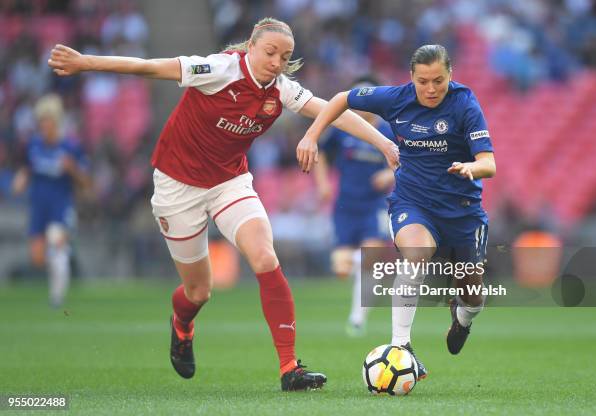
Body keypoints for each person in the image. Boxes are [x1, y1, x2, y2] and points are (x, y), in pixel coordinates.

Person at [48, 17, 399, 391]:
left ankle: (289, 368)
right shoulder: (218, 69)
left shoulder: (281, 89)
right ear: (251, 45)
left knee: (265, 256)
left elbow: (333, 111)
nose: (277, 62)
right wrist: (86, 62)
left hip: (229, 182)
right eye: (270, 52)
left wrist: (385, 144)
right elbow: (148, 67)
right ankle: (182, 326)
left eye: (285, 56)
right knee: (199, 292)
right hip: (176, 186)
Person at [298, 44, 496, 381]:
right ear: (411, 78)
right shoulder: (394, 98)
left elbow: (489, 163)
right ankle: (401, 347)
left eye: (438, 80)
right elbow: (342, 98)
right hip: (413, 203)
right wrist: (311, 135)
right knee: (414, 255)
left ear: (451, 75)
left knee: (473, 295)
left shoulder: (465, 104)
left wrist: (470, 168)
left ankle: (462, 316)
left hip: (462, 212)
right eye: (423, 81)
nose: (431, 89)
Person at [313, 75, 395, 337]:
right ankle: (361, 274)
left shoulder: (387, 131)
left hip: (375, 206)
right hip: (345, 206)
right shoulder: (342, 128)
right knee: (341, 269)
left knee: (370, 258)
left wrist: (389, 175)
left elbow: (408, 162)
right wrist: (323, 182)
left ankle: (357, 317)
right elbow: (320, 151)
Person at [12, 94, 90, 308]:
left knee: (56, 248)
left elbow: (86, 183)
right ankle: (62, 253)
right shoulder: (33, 145)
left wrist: (72, 168)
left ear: (56, 122)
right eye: (41, 122)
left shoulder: (70, 147)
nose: (44, 126)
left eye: (48, 122)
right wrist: (21, 179)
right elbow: (28, 169)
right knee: (37, 258)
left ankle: (57, 297)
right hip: (38, 206)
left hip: (60, 206)